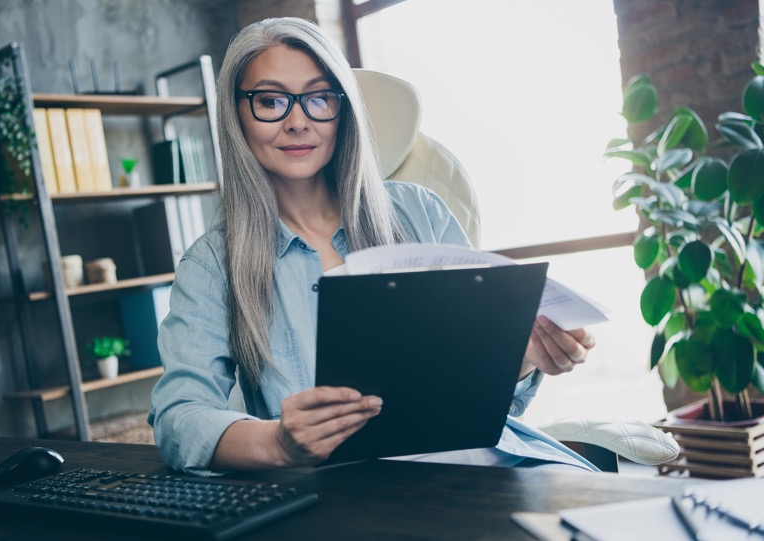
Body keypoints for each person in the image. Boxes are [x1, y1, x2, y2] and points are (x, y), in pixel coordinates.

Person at [148, 16, 598, 476]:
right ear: (237, 114)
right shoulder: (211, 265)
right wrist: (279, 442)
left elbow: (485, 397)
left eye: (320, 97)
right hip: (341, 493)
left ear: (343, 109)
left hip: (481, 465)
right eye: (270, 101)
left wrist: (522, 357)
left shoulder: (421, 211)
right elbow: (179, 420)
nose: (299, 121)